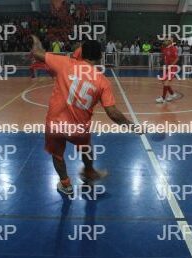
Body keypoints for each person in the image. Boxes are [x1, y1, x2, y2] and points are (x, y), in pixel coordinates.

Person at [31, 35, 138, 195]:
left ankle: (66, 184)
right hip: (79, 127)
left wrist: (36, 41)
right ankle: (89, 172)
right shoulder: (102, 81)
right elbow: (113, 113)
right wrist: (132, 126)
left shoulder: (64, 63)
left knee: (57, 155)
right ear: (100, 56)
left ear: (81, 53)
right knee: (86, 149)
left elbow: (36, 52)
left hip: (55, 124)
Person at [156, 39, 179, 104]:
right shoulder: (164, 48)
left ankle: (163, 98)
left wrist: (171, 65)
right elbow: (164, 56)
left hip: (172, 68)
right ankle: (172, 94)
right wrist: (160, 60)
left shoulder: (173, 48)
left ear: (170, 42)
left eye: (166, 40)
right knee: (163, 81)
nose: (164, 41)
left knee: (166, 82)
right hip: (166, 67)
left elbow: (177, 58)